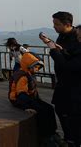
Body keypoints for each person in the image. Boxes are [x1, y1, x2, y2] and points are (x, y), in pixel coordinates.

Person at [39, 12, 80, 147]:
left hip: (73, 84)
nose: (54, 26)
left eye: (57, 24)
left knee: (71, 114)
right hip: (62, 81)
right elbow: (68, 55)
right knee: (60, 108)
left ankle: (72, 140)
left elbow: (69, 64)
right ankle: (69, 138)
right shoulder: (62, 36)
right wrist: (57, 48)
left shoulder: (76, 38)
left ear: (67, 24)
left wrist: (54, 50)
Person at [8, 52, 61, 145]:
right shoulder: (23, 76)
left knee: (49, 108)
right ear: (28, 66)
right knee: (42, 111)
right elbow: (21, 94)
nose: (37, 69)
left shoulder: (27, 73)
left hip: (28, 98)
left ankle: (52, 132)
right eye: (35, 67)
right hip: (20, 100)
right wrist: (25, 107)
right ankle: (45, 136)